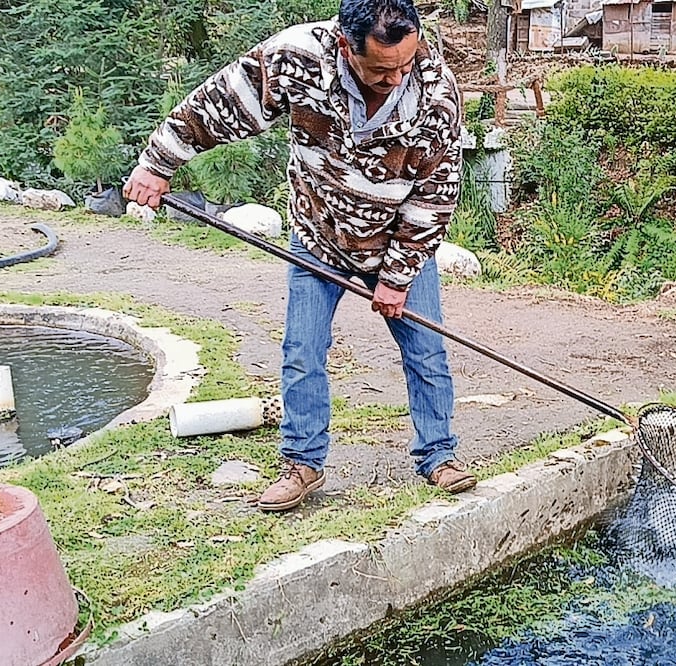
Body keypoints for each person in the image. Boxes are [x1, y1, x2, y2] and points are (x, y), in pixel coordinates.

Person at [124, 0, 476, 511]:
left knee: (425, 351)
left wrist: (397, 277)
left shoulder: (437, 95)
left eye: (405, 63)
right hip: (319, 235)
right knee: (302, 351)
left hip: (399, 242)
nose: (397, 78)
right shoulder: (298, 57)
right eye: (381, 69)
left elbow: (435, 196)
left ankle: (438, 456)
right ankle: (304, 463)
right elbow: (219, 106)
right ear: (344, 46)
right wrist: (158, 163)